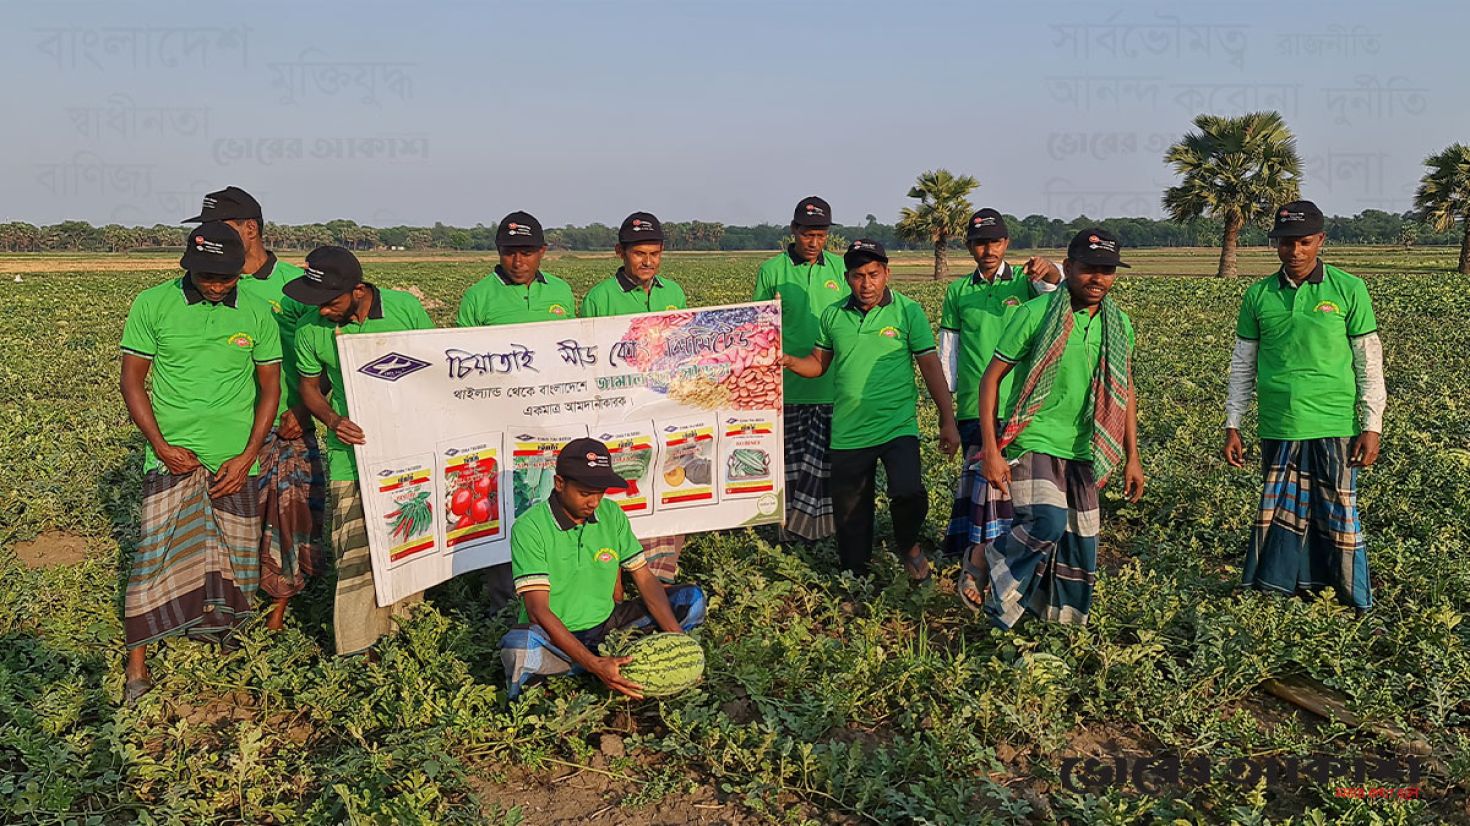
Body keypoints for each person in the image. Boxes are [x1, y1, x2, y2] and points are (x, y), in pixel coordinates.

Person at [118, 221, 282, 701]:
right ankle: (137, 661)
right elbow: (133, 382)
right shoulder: (153, 304)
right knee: (157, 552)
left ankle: (220, 631)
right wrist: (161, 445)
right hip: (173, 456)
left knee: (235, 552)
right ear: (187, 267)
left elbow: (269, 387)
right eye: (207, 276)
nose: (216, 286)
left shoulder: (255, 311)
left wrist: (249, 452)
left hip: (237, 458)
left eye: (225, 278)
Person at [958, 228, 1145, 629]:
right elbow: (990, 379)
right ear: (1069, 266)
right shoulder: (1034, 314)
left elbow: (1124, 390)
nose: (1097, 278)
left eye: (1107, 270)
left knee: (1079, 543)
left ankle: (1052, 626)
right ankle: (983, 558)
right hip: (1035, 438)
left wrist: (1133, 457)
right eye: (1089, 269)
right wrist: (991, 450)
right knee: (1047, 522)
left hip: (1085, 447)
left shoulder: (1119, 324)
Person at [1224, 200, 1384, 612]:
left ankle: (1351, 597)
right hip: (1279, 423)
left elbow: (1368, 361)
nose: (1294, 252)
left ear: (1320, 242)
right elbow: (1243, 363)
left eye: (1303, 243)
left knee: (1337, 512)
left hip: (1334, 422)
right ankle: (1281, 591)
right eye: (1284, 243)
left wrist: (1372, 425)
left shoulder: (1349, 289)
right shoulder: (1259, 294)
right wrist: (1233, 422)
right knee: (1281, 512)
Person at [184, 186, 324, 631]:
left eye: (218, 227)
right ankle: (226, 605)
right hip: (233, 426)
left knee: (288, 519)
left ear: (250, 229)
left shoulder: (295, 286)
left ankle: (278, 611)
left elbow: (322, 353)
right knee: (228, 520)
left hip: (289, 423)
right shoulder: (212, 286)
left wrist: (304, 409)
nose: (208, 236)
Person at [285, 246, 436, 656]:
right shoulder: (310, 330)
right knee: (353, 550)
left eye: (330, 302)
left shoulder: (404, 309)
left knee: (408, 539)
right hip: (349, 458)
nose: (323, 311)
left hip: (409, 450)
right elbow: (310, 390)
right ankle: (356, 645)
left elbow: (435, 364)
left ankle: (405, 637)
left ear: (358, 291)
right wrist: (333, 421)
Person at [781, 240, 961, 580]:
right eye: (859, 276)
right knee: (850, 514)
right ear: (847, 278)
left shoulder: (908, 311)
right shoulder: (833, 315)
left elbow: (930, 368)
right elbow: (819, 364)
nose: (867, 284)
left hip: (898, 426)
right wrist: (790, 361)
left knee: (908, 491)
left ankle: (907, 544)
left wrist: (947, 420)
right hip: (848, 431)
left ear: (887, 273)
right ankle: (856, 580)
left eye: (874, 275)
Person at [499, 438, 707, 700]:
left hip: (608, 627)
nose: (594, 502)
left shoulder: (611, 514)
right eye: (585, 493)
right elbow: (538, 611)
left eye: (600, 492)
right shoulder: (530, 528)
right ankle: (585, 668)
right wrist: (594, 664)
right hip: (555, 638)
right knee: (519, 646)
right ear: (559, 483)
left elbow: (643, 578)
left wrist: (679, 642)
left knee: (691, 600)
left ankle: (607, 663)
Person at [456, 211, 578, 612]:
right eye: (510, 252)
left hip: (551, 425)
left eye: (527, 252)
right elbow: (462, 368)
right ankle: (506, 609)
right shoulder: (478, 297)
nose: (518, 261)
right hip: (500, 427)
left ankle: (558, 599)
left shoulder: (560, 293)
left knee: (552, 506)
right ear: (498, 252)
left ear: (543, 251)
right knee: (506, 510)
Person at [939, 209, 1062, 560]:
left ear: (1006, 243)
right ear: (969, 247)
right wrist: (946, 414)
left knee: (1019, 486)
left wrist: (1051, 270)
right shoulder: (958, 291)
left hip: (1020, 404)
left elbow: (1059, 292)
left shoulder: (1025, 283)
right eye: (980, 243)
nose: (988, 250)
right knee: (984, 487)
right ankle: (979, 556)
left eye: (995, 242)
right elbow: (950, 353)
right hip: (974, 407)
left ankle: (1011, 556)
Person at [581, 212, 687, 584]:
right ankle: (615, 577)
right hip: (619, 414)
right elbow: (587, 362)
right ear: (620, 253)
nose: (647, 261)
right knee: (623, 491)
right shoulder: (600, 298)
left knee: (667, 487)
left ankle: (660, 576)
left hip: (664, 408)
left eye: (654, 253)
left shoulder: (673, 293)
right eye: (639, 253)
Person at [752, 196, 849, 544]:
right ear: (794, 231)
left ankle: (822, 539)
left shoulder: (840, 270)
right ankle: (784, 539)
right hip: (785, 389)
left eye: (821, 235)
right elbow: (758, 330)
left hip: (831, 388)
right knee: (786, 471)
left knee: (824, 472)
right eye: (807, 234)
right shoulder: (772, 270)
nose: (814, 242)